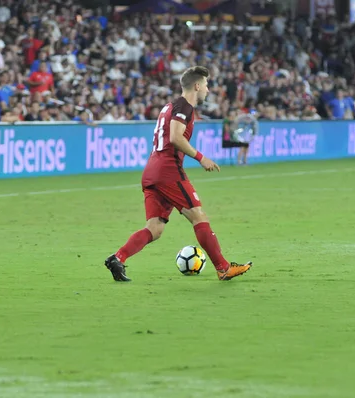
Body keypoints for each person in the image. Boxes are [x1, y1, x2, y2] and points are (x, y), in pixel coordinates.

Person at [104, 66, 253, 282]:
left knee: (154, 228)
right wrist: (201, 157)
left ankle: (118, 257)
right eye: (207, 85)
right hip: (168, 171)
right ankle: (223, 268)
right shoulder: (184, 106)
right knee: (198, 216)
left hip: (152, 170)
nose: (208, 91)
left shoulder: (170, 106)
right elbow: (175, 137)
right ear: (197, 86)